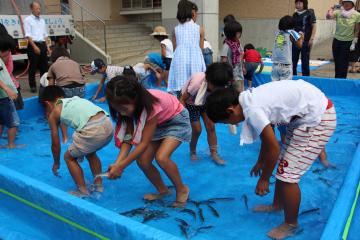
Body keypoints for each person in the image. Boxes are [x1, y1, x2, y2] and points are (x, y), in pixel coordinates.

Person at [205, 80, 336, 240]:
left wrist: (264, 179)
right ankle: (278, 205)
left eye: (226, 122)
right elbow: (268, 138)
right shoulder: (248, 98)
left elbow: (274, 147)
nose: (231, 124)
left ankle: (291, 224)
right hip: (308, 115)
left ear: (230, 110)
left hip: (318, 119)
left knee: (288, 177)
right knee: (284, 168)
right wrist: (261, 162)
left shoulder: (252, 109)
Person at [105, 76, 191, 207]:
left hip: (175, 120)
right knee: (143, 161)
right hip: (157, 124)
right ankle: (163, 191)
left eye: (124, 109)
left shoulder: (151, 105)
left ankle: (182, 188)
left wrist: (122, 166)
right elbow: (128, 138)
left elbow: (143, 143)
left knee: (162, 157)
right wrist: (118, 163)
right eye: (117, 109)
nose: (121, 113)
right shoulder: (126, 109)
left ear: (135, 100)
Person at [42, 86, 113, 196]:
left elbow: (55, 144)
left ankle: (82, 191)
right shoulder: (75, 99)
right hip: (108, 124)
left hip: (93, 130)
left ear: (47, 104)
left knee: (68, 157)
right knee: (91, 153)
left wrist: (56, 163)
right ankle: (99, 186)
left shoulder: (54, 112)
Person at [180, 63, 233, 165]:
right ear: (208, 79)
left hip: (205, 101)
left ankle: (214, 153)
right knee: (197, 130)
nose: (218, 89)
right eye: (216, 86)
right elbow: (183, 99)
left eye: (221, 87)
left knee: (211, 126)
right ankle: (193, 151)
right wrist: (183, 117)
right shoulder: (197, 83)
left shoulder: (220, 83)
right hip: (190, 103)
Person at [167, 0, 206, 96]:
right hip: (195, 60)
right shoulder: (200, 29)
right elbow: (200, 49)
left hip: (180, 61)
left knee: (180, 88)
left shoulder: (175, 30)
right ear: (192, 13)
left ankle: (181, 106)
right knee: (196, 87)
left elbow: (175, 49)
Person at [327, 0, 360, 78]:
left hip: (348, 42)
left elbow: (357, 29)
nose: (346, 4)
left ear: (353, 4)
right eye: (344, 2)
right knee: (337, 61)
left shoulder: (357, 14)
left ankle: (342, 79)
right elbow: (328, 17)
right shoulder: (338, 12)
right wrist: (331, 9)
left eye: (348, 2)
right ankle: (337, 78)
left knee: (343, 63)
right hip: (337, 40)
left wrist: (354, 41)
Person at [24, 1, 51, 93]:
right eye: (36, 8)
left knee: (44, 67)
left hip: (42, 44)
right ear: (32, 9)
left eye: (39, 8)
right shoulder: (28, 20)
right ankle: (32, 86)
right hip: (33, 45)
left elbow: (45, 35)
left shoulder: (42, 20)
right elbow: (28, 35)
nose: (39, 10)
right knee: (33, 67)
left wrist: (47, 47)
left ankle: (43, 84)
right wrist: (34, 47)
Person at [272, 16, 304, 82]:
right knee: (285, 87)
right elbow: (300, 45)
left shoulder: (277, 33)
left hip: (275, 65)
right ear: (292, 25)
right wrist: (302, 37)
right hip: (286, 65)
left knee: (274, 87)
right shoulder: (292, 32)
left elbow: (281, 45)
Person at [292, 0, 317, 76]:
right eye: (296, 3)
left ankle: (306, 77)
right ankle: (293, 75)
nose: (298, 5)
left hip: (306, 41)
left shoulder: (309, 13)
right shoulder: (294, 15)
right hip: (295, 41)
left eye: (300, 3)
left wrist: (312, 38)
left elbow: (314, 26)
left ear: (304, 4)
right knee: (293, 59)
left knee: (305, 60)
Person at [0, 57, 20, 149]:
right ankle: (11, 145)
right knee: (13, 122)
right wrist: (8, 89)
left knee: (1, 122)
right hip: (4, 95)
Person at [0, 33, 24, 110]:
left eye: (10, 52)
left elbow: (8, 72)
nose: (8, 55)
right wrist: (7, 89)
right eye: (4, 55)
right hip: (4, 92)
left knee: (16, 108)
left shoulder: (8, 53)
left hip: (11, 86)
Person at [220, 20, 245, 92]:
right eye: (238, 33)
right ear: (231, 33)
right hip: (231, 76)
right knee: (233, 93)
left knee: (240, 92)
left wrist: (242, 66)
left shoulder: (238, 43)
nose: (240, 34)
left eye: (240, 32)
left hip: (239, 74)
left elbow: (241, 54)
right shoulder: (226, 46)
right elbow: (223, 60)